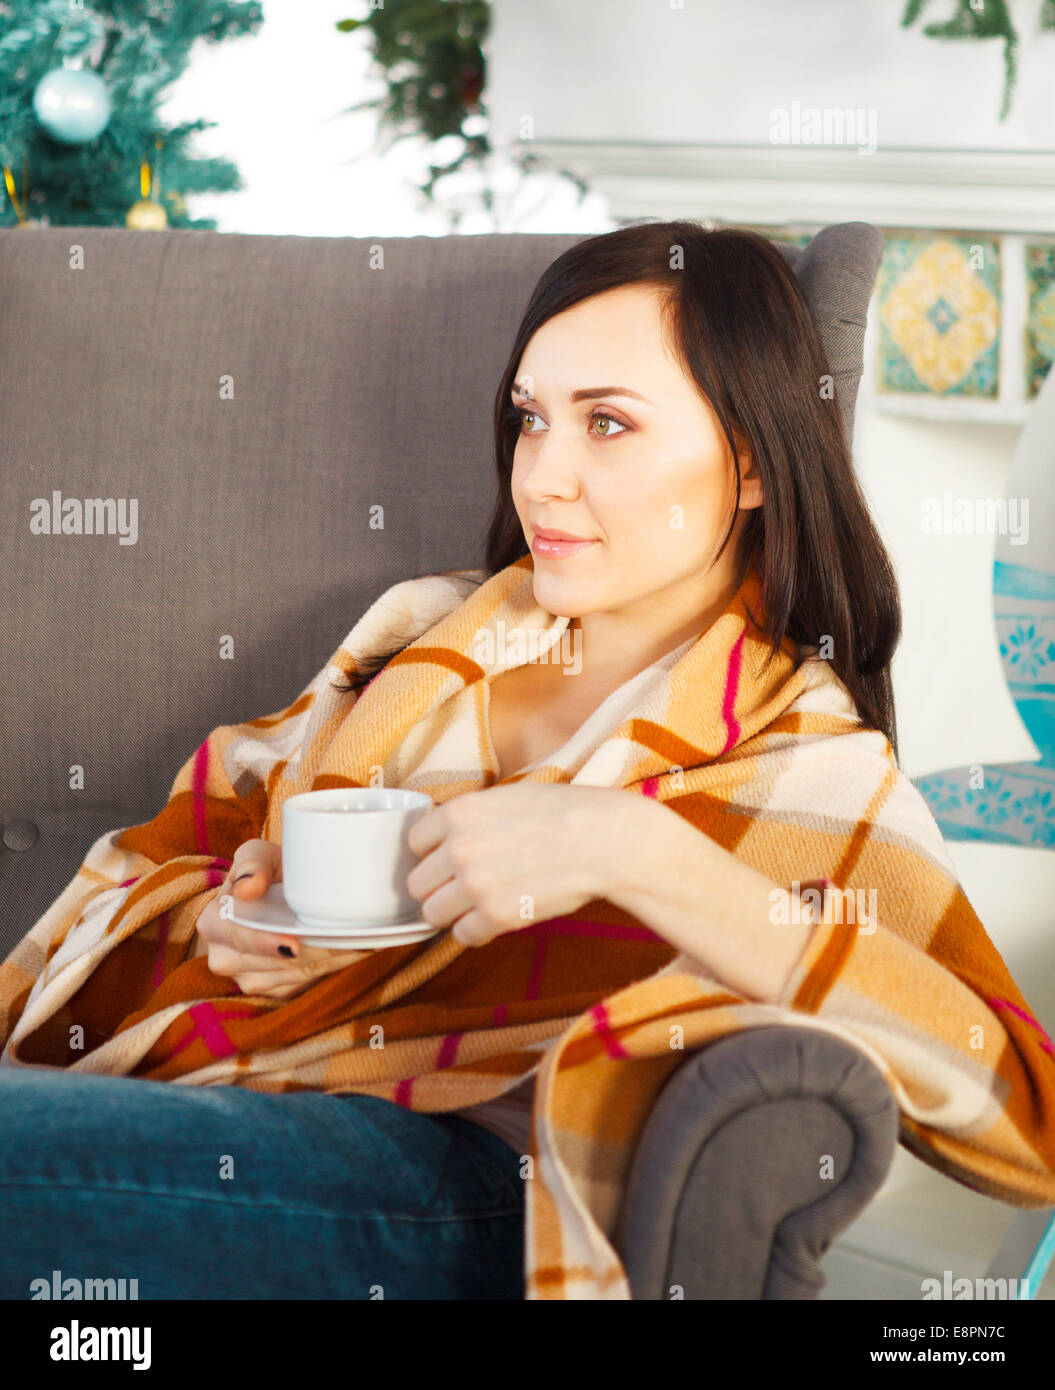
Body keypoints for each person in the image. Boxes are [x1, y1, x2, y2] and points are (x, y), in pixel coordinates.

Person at [3, 222, 1048, 1302]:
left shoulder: (801, 758)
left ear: (748, 464)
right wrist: (230, 920)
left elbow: (1017, 1114)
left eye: (606, 424)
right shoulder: (418, 634)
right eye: (530, 418)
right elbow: (191, 855)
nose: (542, 477)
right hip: (230, 1096)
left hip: (475, 1172)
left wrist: (632, 849)